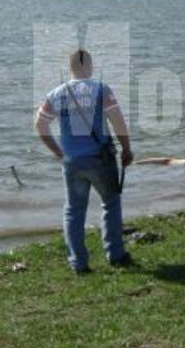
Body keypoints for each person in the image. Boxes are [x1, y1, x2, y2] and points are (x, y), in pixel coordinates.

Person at [35, 49, 134, 273]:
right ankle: (115, 254)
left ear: (70, 68)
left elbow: (40, 125)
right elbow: (117, 121)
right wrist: (127, 148)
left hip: (72, 162)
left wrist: (58, 153)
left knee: (73, 210)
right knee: (110, 203)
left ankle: (78, 263)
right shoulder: (101, 89)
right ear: (90, 65)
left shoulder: (56, 94)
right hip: (100, 159)